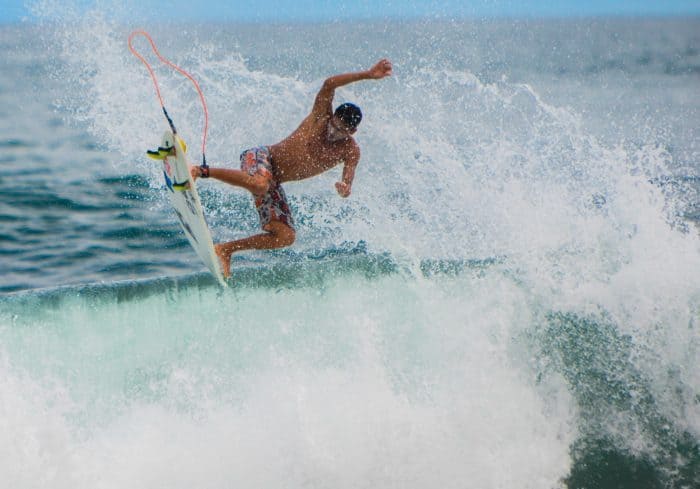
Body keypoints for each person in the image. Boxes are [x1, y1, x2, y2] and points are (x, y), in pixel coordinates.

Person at [190, 58, 393, 277]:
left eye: (341, 131)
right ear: (332, 117)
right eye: (334, 125)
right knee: (260, 183)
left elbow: (348, 179)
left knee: (285, 237)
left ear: (352, 132)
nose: (332, 132)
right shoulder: (321, 117)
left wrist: (345, 188)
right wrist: (368, 75)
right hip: (261, 156)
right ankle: (200, 171)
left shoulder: (350, 151)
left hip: (273, 181)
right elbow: (330, 83)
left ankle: (226, 249)